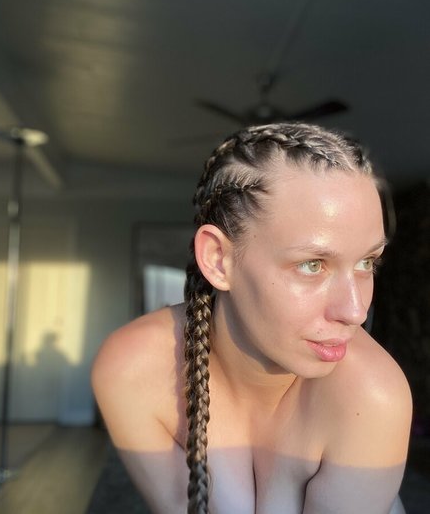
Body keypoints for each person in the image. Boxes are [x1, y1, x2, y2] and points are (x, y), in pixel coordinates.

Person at [92, 122, 412, 514]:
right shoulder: (133, 369)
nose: (355, 311)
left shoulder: (371, 396)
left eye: (367, 262)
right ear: (217, 260)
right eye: (313, 264)